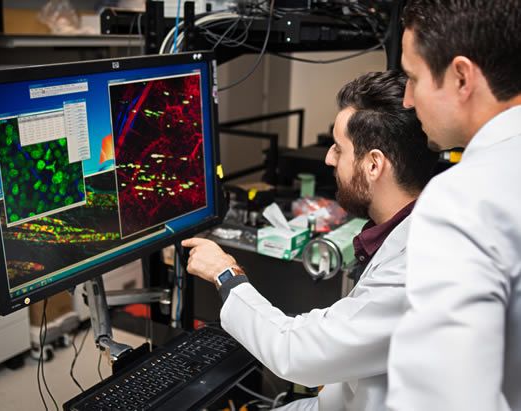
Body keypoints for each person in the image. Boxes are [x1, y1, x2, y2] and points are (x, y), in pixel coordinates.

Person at [182, 70, 438, 410]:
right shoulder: (414, 227)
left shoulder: (412, 269)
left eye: (339, 148)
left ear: (374, 165)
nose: (329, 158)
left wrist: (225, 273)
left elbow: (296, 352)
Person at [386, 1, 521, 411]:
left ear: (462, 76)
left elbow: (442, 400)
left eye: (412, 78)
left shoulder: (462, 200)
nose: (407, 100)